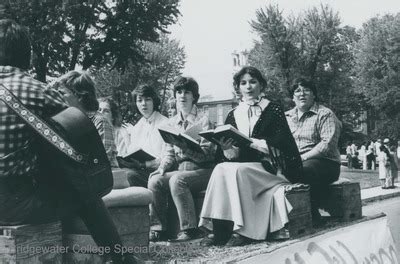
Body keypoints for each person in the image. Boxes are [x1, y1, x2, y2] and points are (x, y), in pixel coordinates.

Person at [0, 19, 136, 263]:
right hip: (16, 204)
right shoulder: (35, 89)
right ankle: (122, 258)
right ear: (26, 55)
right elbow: (76, 132)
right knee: (84, 193)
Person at [199, 66, 303, 246]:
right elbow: (232, 156)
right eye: (243, 83)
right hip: (245, 166)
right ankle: (219, 229)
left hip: (270, 169)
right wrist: (226, 148)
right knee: (220, 168)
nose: (248, 87)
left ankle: (244, 231)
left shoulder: (273, 109)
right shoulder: (233, 114)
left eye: (253, 82)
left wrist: (252, 143)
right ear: (238, 87)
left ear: (261, 85)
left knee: (239, 172)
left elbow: (282, 146)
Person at [148, 76, 216, 242]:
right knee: (154, 180)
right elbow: (169, 152)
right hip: (182, 170)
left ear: (195, 97)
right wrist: (162, 167)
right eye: (179, 92)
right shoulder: (171, 122)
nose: (182, 96)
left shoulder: (204, 121)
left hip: (204, 170)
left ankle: (190, 229)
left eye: (187, 92)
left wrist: (185, 147)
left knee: (177, 180)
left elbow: (208, 155)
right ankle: (159, 229)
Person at [285, 77, 341, 226]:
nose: (302, 94)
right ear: (292, 97)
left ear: (314, 95)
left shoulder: (325, 114)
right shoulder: (286, 117)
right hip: (296, 162)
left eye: (306, 90)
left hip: (325, 163)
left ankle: (312, 214)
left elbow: (326, 144)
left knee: (305, 169)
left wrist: (302, 158)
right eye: (297, 91)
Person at [52, 71, 119, 169]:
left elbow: (102, 161)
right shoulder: (67, 120)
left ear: (79, 95)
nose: (58, 97)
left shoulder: (100, 122)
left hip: (105, 179)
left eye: (62, 93)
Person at [120, 85, 168, 187]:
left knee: (129, 175)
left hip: (159, 172)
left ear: (154, 101)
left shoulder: (165, 123)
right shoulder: (137, 127)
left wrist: (144, 164)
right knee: (119, 174)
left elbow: (166, 158)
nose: (143, 104)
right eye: (139, 100)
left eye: (148, 99)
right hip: (139, 170)